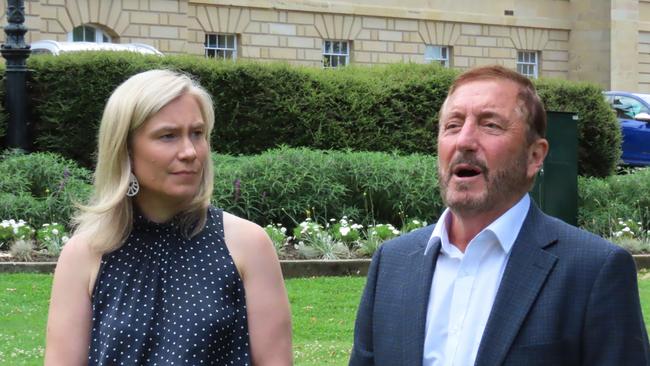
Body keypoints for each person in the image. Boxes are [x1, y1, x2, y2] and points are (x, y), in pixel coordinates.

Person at [349, 65, 649, 366]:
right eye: (452, 125)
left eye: (490, 125)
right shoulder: (392, 263)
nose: (464, 141)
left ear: (534, 156)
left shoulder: (593, 271)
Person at [44, 69, 292, 365]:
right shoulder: (85, 255)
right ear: (125, 149)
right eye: (168, 136)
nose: (190, 151)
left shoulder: (247, 246)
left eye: (197, 134)